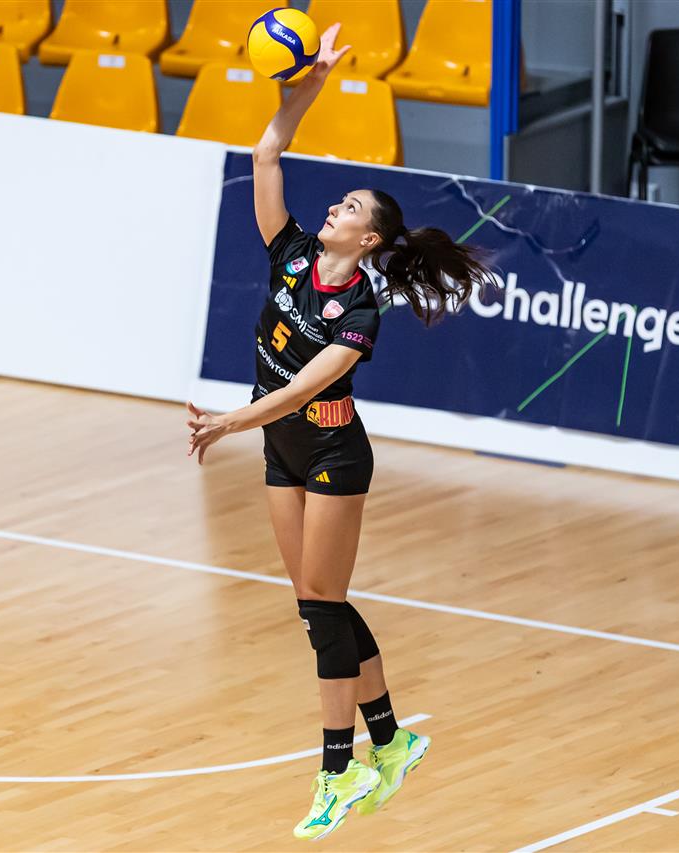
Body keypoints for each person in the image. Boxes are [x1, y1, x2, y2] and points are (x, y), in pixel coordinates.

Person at [185, 23, 495, 841]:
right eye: (340, 201)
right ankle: (391, 740)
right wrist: (309, 87)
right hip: (281, 447)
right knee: (315, 602)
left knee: (322, 607)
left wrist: (227, 420)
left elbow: (299, 389)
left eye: (350, 207)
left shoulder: (360, 310)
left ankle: (338, 768)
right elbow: (265, 155)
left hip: (330, 451)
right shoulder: (289, 253)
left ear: (369, 241)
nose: (334, 207)